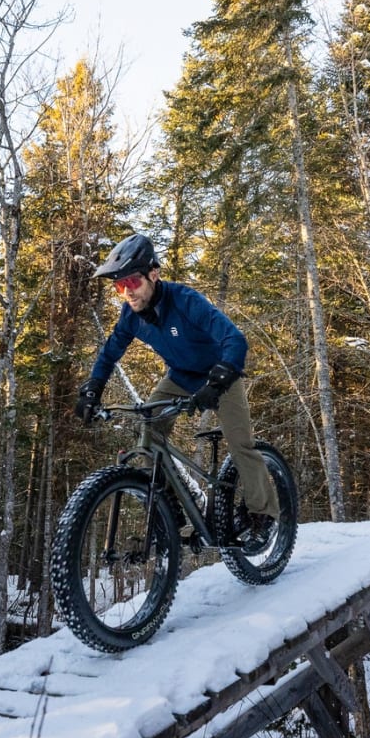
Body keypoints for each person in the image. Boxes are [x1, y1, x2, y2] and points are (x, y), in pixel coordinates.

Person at [74, 232, 280, 550]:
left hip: (220, 376)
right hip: (181, 377)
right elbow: (109, 353)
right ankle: (171, 512)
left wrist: (221, 377)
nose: (126, 292)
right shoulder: (131, 315)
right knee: (149, 431)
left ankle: (263, 515)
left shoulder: (185, 301)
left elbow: (234, 339)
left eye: (132, 282)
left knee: (240, 444)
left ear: (153, 274)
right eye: (119, 286)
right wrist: (93, 387)